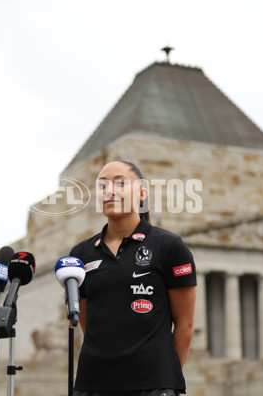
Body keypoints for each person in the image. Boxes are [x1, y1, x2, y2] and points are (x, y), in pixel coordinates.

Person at [69, 159, 197, 396]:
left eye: (120, 183)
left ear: (141, 193)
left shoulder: (170, 247)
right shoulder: (81, 254)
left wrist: (164, 378)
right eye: (103, 185)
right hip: (93, 384)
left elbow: (185, 325)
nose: (110, 191)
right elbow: (90, 324)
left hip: (152, 386)